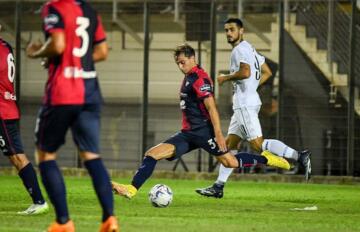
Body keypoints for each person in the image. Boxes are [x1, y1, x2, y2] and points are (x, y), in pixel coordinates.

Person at [111, 44, 291, 199]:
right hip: (188, 134)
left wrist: (219, 134)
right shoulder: (189, 77)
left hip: (204, 133)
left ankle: (266, 158)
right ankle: (132, 189)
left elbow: (212, 107)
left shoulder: (200, 78)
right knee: (151, 154)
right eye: (178, 63)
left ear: (192, 58)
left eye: (183, 62)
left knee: (230, 162)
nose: (180, 66)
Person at [26, 0, 118, 231]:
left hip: (63, 92)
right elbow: (102, 52)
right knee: (92, 156)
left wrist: (37, 52)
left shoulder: (53, 7)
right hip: (90, 92)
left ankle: (63, 222)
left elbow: (58, 45)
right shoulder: (89, 10)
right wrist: (75, 58)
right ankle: (109, 218)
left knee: (45, 156)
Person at [195, 18, 311, 199]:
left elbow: (245, 72)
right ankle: (218, 187)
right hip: (246, 102)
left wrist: (225, 78)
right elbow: (267, 72)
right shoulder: (250, 48)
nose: (228, 33)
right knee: (227, 147)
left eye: (232, 29)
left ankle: (299, 156)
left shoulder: (239, 50)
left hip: (244, 105)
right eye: (226, 30)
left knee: (258, 144)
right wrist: (251, 87)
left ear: (241, 31)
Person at [0, 24, 49, 216]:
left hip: (2, 111)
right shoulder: (6, 46)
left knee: (17, 157)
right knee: (16, 156)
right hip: (7, 107)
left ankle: (39, 201)